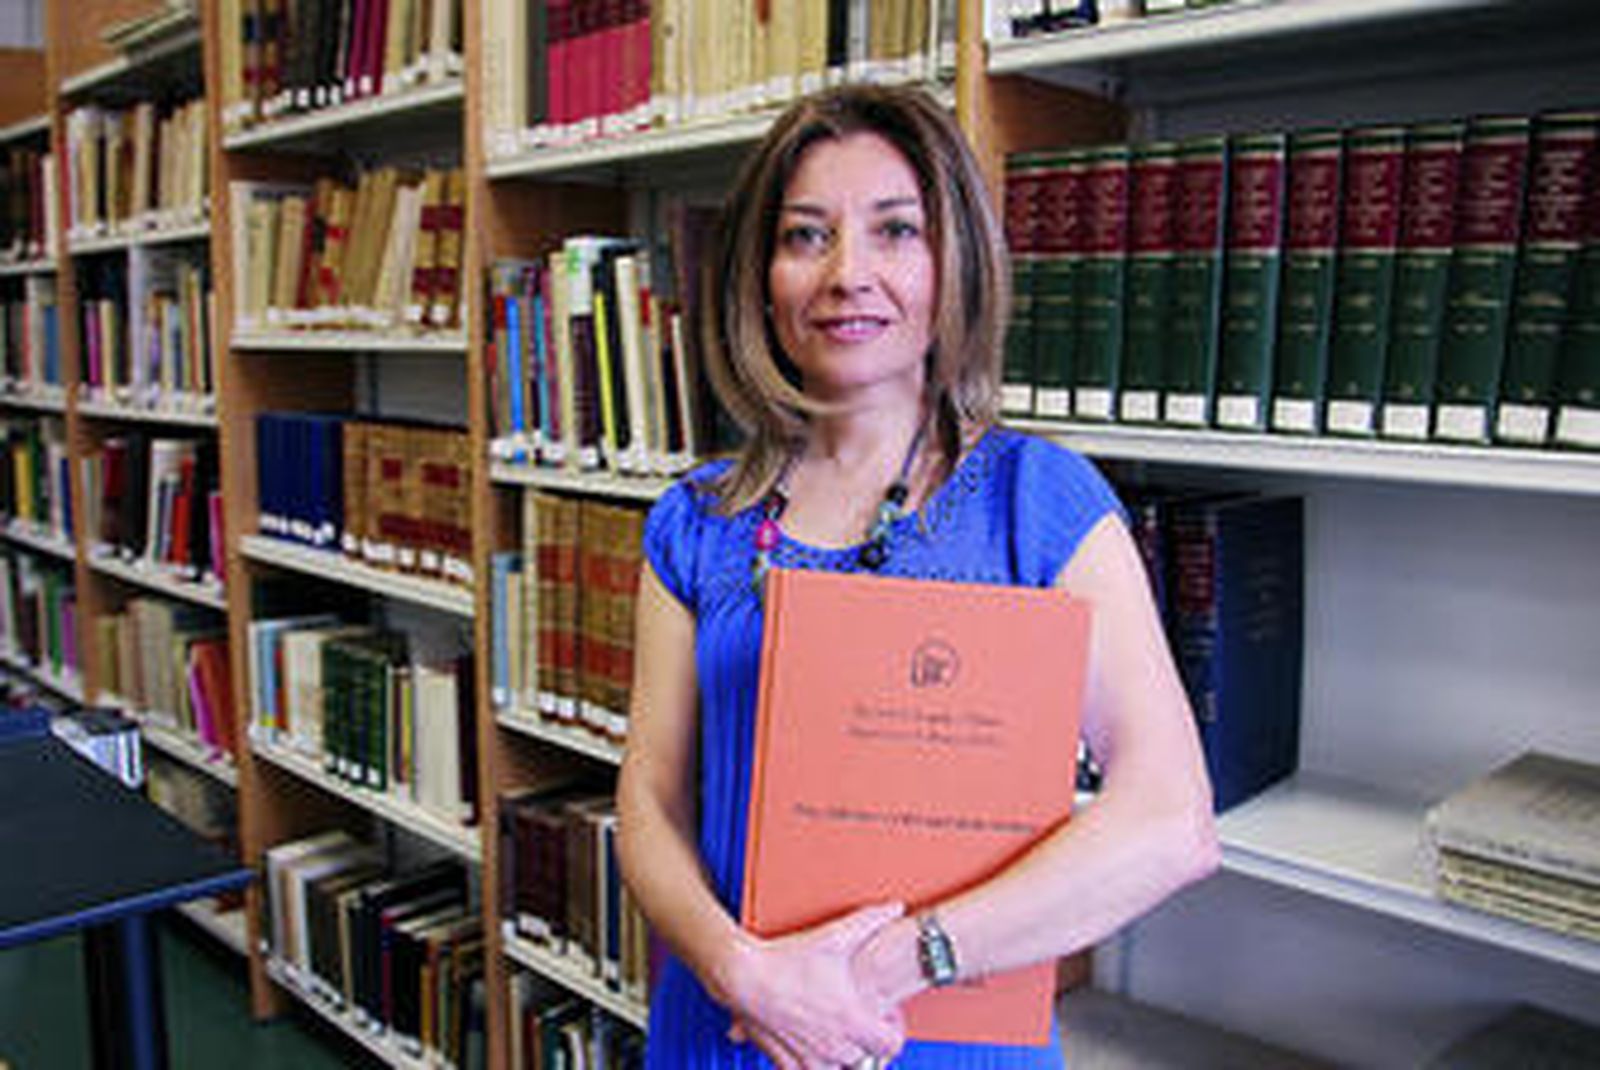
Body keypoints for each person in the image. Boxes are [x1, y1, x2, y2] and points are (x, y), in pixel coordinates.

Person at [616, 82, 1219, 1069]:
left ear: (956, 264)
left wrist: (897, 961)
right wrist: (742, 970)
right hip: (729, 1025)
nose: (846, 273)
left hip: (941, 1032)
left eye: (895, 231)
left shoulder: (1039, 500)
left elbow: (1169, 822)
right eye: (805, 236)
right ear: (761, 277)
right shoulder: (698, 517)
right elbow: (650, 792)